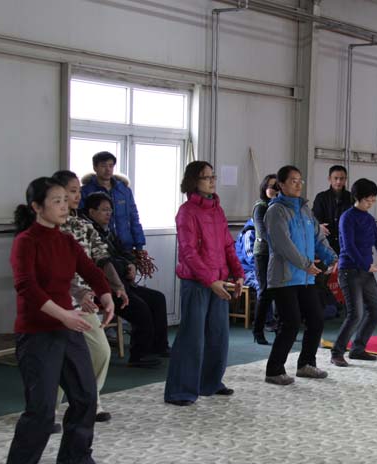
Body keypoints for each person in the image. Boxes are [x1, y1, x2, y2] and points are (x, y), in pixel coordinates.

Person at [3, 177, 114, 464]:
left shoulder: (65, 240)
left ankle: (73, 457)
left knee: (85, 395)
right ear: (37, 207)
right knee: (40, 409)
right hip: (37, 333)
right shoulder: (26, 242)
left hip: (67, 327)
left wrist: (106, 294)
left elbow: (90, 269)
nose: (65, 206)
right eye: (57, 201)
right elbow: (27, 286)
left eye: (66, 200)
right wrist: (64, 315)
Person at [51, 171, 129, 425]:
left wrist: (116, 287)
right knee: (58, 359)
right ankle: (49, 409)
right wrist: (79, 291)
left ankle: (90, 400)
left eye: (78, 191)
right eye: (72, 191)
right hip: (54, 306)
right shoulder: (48, 229)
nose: (77, 195)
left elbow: (100, 260)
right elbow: (53, 272)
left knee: (101, 352)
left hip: (84, 304)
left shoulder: (82, 226)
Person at [164, 162, 244, 405]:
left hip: (219, 282)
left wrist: (238, 274)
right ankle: (180, 391)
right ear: (193, 181)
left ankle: (209, 382)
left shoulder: (217, 210)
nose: (212, 181)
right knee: (192, 338)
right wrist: (210, 281)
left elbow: (228, 245)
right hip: (197, 283)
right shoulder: (186, 212)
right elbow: (188, 252)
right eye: (205, 177)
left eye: (213, 176)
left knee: (218, 336)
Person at [263, 165, 337, 385]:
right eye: (293, 181)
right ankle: (274, 370)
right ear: (281, 184)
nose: (298, 184)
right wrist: (305, 264)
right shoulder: (276, 211)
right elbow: (282, 244)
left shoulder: (305, 210)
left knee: (316, 319)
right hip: (284, 278)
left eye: (300, 180)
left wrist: (332, 257)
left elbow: (318, 237)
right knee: (291, 323)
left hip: (306, 277)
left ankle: (306, 364)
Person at [83, 192, 168, 367]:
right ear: (91, 212)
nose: (109, 213)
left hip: (124, 283)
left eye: (110, 210)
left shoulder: (109, 231)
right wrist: (124, 266)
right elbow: (103, 263)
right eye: (104, 210)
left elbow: (125, 252)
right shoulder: (87, 233)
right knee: (140, 308)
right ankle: (138, 355)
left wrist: (131, 264)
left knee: (157, 298)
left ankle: (158, 346)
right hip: (105, 288)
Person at [330, 179, 377, 367]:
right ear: (358, 198)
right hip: (349, 271)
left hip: (366, 272)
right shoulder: (347, 217)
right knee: (355, 314)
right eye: (368, 200)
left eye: (373, 200)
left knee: (376, 311)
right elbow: (348, 246)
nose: (371, 203)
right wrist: (365, 265)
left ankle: (358, 349)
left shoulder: (368, 219)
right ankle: (337, 352)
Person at [80, 151, 145, 252]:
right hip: (98, 246)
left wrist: (139, 244)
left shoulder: (124, 190)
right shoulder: (85, 191)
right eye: (103, 166)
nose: (108, 169)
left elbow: (134, 217)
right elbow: (82, 220)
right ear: (95, 167)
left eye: (111, 166)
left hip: (125, 245)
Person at [252, 174, 279, 345]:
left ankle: (279, 327)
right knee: (264, 293)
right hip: (263, 254)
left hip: (279, 254)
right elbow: (262, 232)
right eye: (271, 186)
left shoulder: (279, 206)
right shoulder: (260, 207)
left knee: (280, 292)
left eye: (277, 187)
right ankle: (258, 330)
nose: (274, 190)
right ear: (264, 188)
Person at [312, 165, 351, 254]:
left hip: (346, 245)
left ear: (345, 179)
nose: (338, 181)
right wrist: (318, 226)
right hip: (326, 244)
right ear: (329, 179)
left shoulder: (351, 198)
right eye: (335, 178)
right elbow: (314, 218)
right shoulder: (321, 197)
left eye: (342, 178)